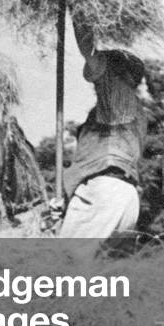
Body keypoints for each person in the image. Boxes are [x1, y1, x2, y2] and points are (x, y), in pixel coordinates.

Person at [58, 17, 146, 250]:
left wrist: (78, 12)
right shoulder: (135, 112)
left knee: (61, 268)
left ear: (121, 75)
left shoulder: (118, 93)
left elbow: (91, 54)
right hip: (125, 198)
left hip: (106, 193)